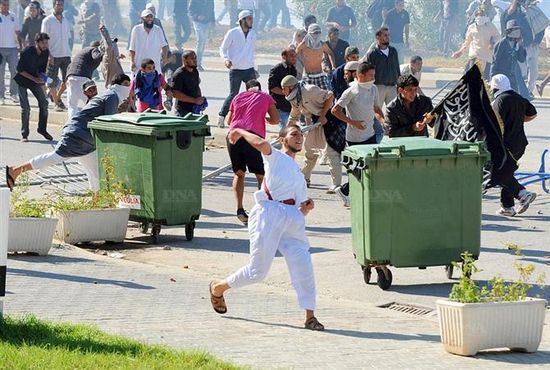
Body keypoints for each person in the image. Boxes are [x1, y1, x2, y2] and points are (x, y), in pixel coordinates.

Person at [208, 124, 324, 332]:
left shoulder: (298, 173)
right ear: (282, 140)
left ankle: (310, 316)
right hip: (268, 213)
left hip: (292, 219)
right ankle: (218, 287)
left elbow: (301, 204)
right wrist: (239, 132)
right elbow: (261, 143)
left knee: (303, 264)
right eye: (294, 134)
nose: (299, 138)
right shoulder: (276, 157)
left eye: (301, 135)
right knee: (258, 272)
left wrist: (306, 208)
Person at [5, 74, 131, 193]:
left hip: (87, 139)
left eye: (129, 84)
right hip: (78, 135)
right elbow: (107, 122)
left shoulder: (110, 95)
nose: (127, 87)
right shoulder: (112, 96)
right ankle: (15, 170)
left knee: (96, 172)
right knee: (55, 157)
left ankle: (96, 200)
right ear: (116, 85)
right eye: (125, 84)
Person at [226, 80, 279, 225]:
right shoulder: (266, 97)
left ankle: (239, 209)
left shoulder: (237, 97)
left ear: (246, 89)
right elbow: (275, 120)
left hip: (233, 136)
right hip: (252, 138)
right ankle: (262, 209)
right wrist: (262, 117)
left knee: (239, 173)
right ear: (260, 89)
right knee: (261, 175)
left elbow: (228, 120)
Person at [332, 62, 384, 207]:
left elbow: (376, 108)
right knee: (357, 170)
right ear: (360, 75)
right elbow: (335, 110)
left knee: (371, 167)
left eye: (374, 75)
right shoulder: (351, 91)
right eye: (371, 75)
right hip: (355, 138)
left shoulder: (373, 89)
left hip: (370, 134)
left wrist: (383, 120)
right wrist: (353, 122)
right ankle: (344, 190)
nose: (374, 78)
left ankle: (362, 195)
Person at [283, 75, 342, 192]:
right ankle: (304, 179)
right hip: (316, 123)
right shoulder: (295, 98)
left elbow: (330, 96)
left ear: (290, 87)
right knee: (310, 150)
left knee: (331, 153)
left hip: (329, 120)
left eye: (283, 88)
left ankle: (337, 185)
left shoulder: (309, 90)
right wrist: (284, 132)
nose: (283, 91)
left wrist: (323, 114)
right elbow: (294, 115)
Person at [490, 74, 537, 217]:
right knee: (507, 172)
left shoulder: (500, 101)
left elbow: (494, 123)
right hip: (520, 143)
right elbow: (532, 114)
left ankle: (522, 193)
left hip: (506, 144)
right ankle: (507, 207)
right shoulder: (518, 98)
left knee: (498, 173)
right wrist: (517, 120)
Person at [218, 10, 257, 128]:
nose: (251, 21)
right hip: (236, 69)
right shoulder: (232, 33)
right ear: (242, 20)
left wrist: (254, 68)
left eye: (251, 18)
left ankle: (251, 119)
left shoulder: (253, 33)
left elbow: (251, 52)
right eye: (249, 18)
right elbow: (223, 49)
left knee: (254, 93)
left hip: (249, 69)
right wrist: (225, 59)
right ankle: (222, 116)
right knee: (234, 94)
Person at [14, 32, 52, 143]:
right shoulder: (27, 52)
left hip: (34, 80)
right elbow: (19, 70)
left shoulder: (46, 53)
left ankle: (42, 129)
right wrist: (35, 79)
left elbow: (41, 71)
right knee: (26, 108)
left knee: (44, 103)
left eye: (47, 43)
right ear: (37, 43)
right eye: (43, 43)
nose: (46, 45)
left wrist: (46, 79)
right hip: (22, 80)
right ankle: (24, 134)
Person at [452, 8, 500, 81]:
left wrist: (492, 43)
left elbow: (498, 37)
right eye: (478, 16)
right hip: (475, 54)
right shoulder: (472, 27)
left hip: (487, 56)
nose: (480, 17)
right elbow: (467, 42)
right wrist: (460, 52)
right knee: (473, 77)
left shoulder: (490, 26)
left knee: (486, 79)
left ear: (485, 16)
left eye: (481, 15)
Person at [41, 0, 71, 112]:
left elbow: (68, 38)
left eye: (61, 5)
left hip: (66, 54)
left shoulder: (66, 21)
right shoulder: (47, 21)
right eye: (58, 4)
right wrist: (48, 55)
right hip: (53, 55)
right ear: (54, 6)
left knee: (68, 80)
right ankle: (57, 103)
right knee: (50, 80)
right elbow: (43, 40)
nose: (60, 6)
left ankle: (56, 98)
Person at [66, 40, 105, 118]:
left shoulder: (83, 52)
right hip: (82, 78)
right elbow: (96, 57)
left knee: (72, 105)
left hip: (71, 78)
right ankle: (90, 121)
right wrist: (104, 52)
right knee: (91, 102)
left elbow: (69, 67)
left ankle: (72, 123)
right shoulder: (93, 49)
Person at [364, 27, 400, 109]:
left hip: (392, 87)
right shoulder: (372, 53)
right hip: (378, 87)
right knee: (376, 111)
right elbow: (369, 72)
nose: (388, 37)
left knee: (394, 111)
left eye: (388, 35)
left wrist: (399, 85)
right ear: (378, 37)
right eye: (385, 35)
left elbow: (397, 69)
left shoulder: (393, 51)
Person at [129, 9, 168, 76]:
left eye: (151, 17)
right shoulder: (136, 29)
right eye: (147, 17)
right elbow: (132, 48)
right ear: (142, 18)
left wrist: (165, 58)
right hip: (139, 64)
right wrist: (132, 62)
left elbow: (164, 46)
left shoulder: (158, 30)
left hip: (154, 65)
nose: (149, 19)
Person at [491, 20, 527, 93]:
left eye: (518, 29)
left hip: (512, 76)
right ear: (509, 31)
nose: (517, 32)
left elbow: (521, 59)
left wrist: (520, 46)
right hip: (501, 76)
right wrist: (492, 77)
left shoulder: (517, 43)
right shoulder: (501, 44)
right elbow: (495, 61)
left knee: (514, 97)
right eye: (514, 29)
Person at [296, 23, 336, 90]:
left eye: (319, 33)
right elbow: (295, 56)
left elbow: (330, 53)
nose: (317, 35)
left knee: (327, 95)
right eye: (315, 33)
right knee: (307, 97)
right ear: (309, 34)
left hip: (320, 75)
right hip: (307, 76)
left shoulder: (322, 45)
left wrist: (333, 66)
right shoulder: (303, 45)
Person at [268, 48, 298, 129]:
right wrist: (286, 92)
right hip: (280, 106)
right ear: (284, 57)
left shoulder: (293, 69)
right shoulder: (276, 69)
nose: (294, 58)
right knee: (285, 130)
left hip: (290, 106)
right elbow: (273, 88)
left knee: (290, 129)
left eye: (295, 56)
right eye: (291, 56)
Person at [170, 50, 205, 117]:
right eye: (192, 58)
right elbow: (175, 93)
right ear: (184, 60)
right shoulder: (179, 74)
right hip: (182, 112)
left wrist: (200, 100)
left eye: (195, 58)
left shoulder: (195, 71)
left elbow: (196, 86)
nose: (195, 60)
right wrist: (194, 100)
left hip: (194, 109)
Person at [0, 0, 21, 106]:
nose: (6, 6)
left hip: (12, 48)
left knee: (14, 71)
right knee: (0, 73)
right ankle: (1, 96)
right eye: (3, 5)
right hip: (0, 49)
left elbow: (18, 32)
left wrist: (20, 46)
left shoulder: (13, 16)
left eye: (7, 5)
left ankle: (13, 93)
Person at [189, 0, 215, 72]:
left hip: (207, 22)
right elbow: (190, 11)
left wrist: (213, 21)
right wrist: (197, 16)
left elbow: (212, 10)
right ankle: (196, 63)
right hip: (198, 23)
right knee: (200, 40)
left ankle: (199, 62)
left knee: (203, 42)